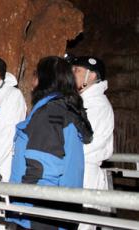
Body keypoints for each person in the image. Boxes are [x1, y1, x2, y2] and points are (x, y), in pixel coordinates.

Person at [7, 56, 93, 229]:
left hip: (41, 211)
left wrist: (23, 202)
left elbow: (42, 167)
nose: (32, 81)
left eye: (35, 75)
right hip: (59, 208)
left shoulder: (49, 113)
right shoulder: (65, 109)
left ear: (44, 79)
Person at [70, 56, 114, 230]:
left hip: (86, 172)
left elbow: (88, 143)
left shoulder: (98, 106)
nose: (72, 74)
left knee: (82, 224)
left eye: (77, 70)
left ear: (92, 76)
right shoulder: (81, 102)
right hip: (75, 169)